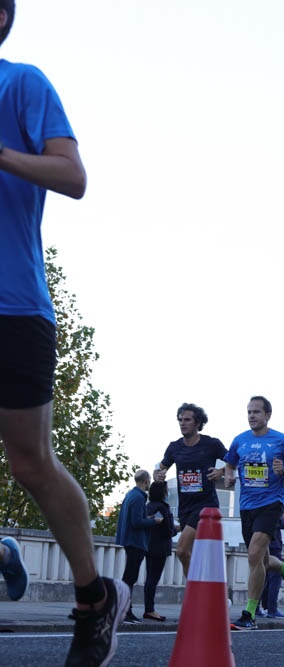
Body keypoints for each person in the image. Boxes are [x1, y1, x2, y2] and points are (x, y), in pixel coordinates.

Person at [0, 4, 131, 663]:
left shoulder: (22, 84)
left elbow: (74, 176)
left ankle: (94, 597)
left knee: (29, 461)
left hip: (13, 305)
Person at [224, 396, 284, 630]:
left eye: (256, 412)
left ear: (267, 415)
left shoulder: (281, 440)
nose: (251, 416)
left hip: (271, 504)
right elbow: (230, 462)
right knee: (263, 559)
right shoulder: (239, 441)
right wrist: (229, 475)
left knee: (253, 554)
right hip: (247, 505)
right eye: (249, 412)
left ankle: (249, 614)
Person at [153, 402, 228, 577]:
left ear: (197, 422)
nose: (182, 423)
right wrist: (157, 475)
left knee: (181, 550)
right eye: (180, 420)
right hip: (185, 506)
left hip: (206, 505)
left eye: (187, 420)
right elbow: (160, 468)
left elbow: (234, 460)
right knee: (193, 555)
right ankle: (204, 591)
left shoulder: (211, 444)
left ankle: (194, 592)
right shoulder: (174, 447)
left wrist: (221, 471)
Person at [115, 469, 162, 624]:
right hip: (136, 542)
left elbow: (133, 519)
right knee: (130, 578)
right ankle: (124, 611)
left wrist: (145, 518)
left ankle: (125, 610)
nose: (149, 483)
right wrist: (153, 521)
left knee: (129, 577)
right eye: (149, 480)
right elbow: (136, 523)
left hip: (129, 540)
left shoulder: (130, 495)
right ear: (145, 481)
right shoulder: (138, 498)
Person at [142, 480, 175, 622]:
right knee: (153, 580)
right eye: (166, 490)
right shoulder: (163, 508)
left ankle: (148, 608)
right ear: (163, 492)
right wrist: (176, 529)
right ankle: (150, 610)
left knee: (149, 578)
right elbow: (167, 531)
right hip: (160, 548)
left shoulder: (148, 506)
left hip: (148, 545)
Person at [261, 505, 284, 618]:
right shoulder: (274, 516)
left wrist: (282, 516)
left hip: (263, 549)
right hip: (274, 550)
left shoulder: (263, 516)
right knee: (274, 580)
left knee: (262, 580)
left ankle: (260, 608)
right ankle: (272, 609)